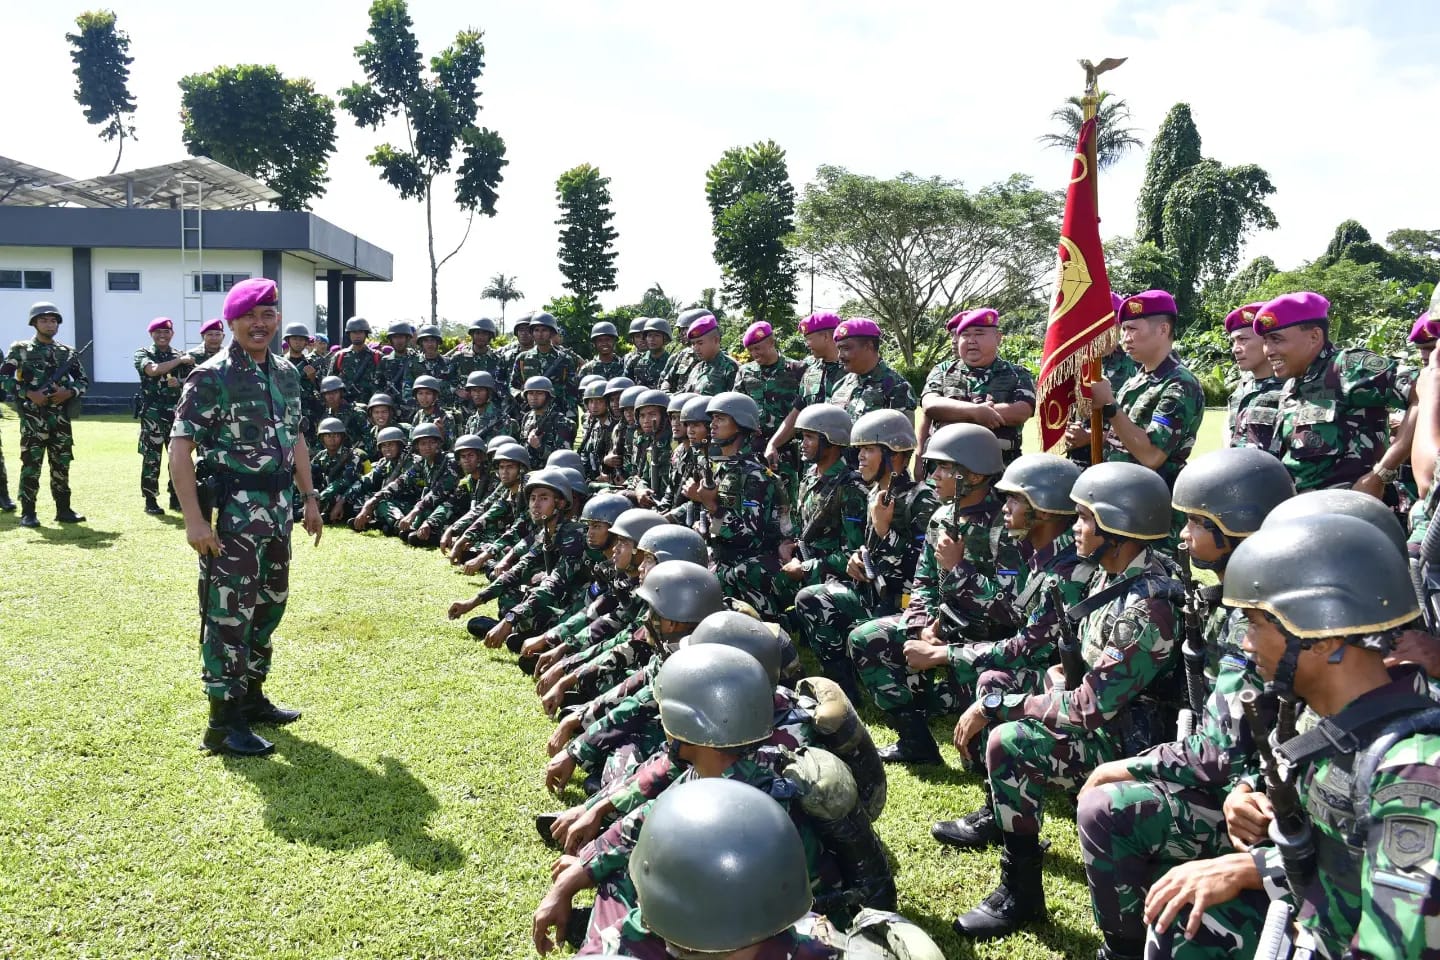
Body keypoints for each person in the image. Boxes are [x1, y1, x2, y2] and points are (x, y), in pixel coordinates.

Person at [1143, 513, 1437, 960]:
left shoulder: (1412, 772)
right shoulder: (1332, 723)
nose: (1245, 643)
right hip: (1318, 924)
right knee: (1184, 922)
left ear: (1322, 638)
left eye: (1256, 624)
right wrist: (1254, 850)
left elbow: (1396, 945)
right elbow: (1341, 854)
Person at [1074, 447, 1294, 960]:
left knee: (1104, 806)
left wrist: (1123, 767)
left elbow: (1216, 752)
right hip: (1247, 787)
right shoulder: (1233, 601)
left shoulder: (1255, 619)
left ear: (1234, 527)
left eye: (1197, 523)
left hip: (1259, 810)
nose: (1184, 536)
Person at [950, 461, 1182, 939]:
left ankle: (1020, 891)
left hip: (1127, 745)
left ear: (1117, 527)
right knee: (997, 682)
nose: (1075, 527)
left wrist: (995, 707)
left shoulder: (1146, 608)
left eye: (1084, 518)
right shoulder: (1110, 574)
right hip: (1105, 717)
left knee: (1010, 741)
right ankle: (1001, 823)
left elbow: (1086, 709)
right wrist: (1058, 674)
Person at [168, 277, 323, 757]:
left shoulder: (286, 373)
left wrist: (310, 498)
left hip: (276, 514)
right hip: (231, 518)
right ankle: (222, 722)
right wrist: (194, 522)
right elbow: (180, 448)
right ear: (232, 322)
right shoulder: (210, 376)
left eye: (268, 314)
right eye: (249, 316)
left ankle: (251, 697)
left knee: (269, 607)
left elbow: (296, 437)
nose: (260, 323)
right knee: (228, 615)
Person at [789, 408, 937, 704]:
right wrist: (858, 559)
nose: (860, 457)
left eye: (869, 450)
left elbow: (926, 568)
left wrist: (884, 531)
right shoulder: (873, 494)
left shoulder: (921, 500)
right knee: (810, 598)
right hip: (871, 594)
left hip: (906, 606)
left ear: (895, 454)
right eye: (859, 450)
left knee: (917, 693)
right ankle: (843, 688)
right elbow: (868, 549)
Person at [1257, 291, 1412, 496]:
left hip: (1354, 509)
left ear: (1314, 337)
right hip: (1304, 508)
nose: (1268, 350)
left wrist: (1380, 475)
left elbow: (1427, 391)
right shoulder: (1292, 385)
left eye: (1276, 339)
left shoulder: (1348, 368)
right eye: (1265, 341)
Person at [1078, 290, 1205, 492]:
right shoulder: (1137, 380)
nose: (1125, 338)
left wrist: (1109, 404)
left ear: (1163, 329)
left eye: (1132, 329)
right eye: (1124, 330)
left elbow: (1152, 456)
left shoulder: (1180, 384)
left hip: (1151, 497)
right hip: (1119, 491)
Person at [4, 301, 90, 527]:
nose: (50, 324)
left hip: (60, 419)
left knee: (61, 464)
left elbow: (83, 380)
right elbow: (3, 378)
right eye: (44, 320)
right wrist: (28, 393)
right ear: (34, 323)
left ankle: (64, 510)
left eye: (53, 321)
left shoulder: (67, 352)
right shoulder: (20, 349)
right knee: (31, 465)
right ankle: (28, 513)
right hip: (33, 420)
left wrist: (68, 392)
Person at [920, 308, 1036, 466]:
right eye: (965, 335)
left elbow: (1020, 411)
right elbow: (931, 405)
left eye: (979, 334)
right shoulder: (942, 371)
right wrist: (976, 412)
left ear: (998, 338)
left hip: (998, 467)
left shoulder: (1017, 374)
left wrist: (954, 413)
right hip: (944, 467)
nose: (971, 340)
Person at [734, 320, 807, 498]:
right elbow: (736, 406)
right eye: (751, 350)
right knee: (753, 498)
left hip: (787, 448)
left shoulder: (797, 370)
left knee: (785, 499)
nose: (754, 353)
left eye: (758, 348)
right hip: (753, 447)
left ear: (771, 342)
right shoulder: (745, 372)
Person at [765, 311, 845, 471]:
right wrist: (773, 444)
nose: (807, 344)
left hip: (846, 464)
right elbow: (797, 413)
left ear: (826, 336)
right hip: (814, 465)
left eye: (809, 338)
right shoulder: (811, 372)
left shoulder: (853, 370)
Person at [134, 316, 193, 514]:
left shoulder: (181, 355)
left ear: (172, 334)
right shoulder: (144, 353)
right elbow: (153, 370)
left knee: (177, 458)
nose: (162, 335)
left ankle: (175, 497)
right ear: (151, 334)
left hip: (176, 414)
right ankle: (150, 500)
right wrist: (179, 361)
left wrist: (180, 383)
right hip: (153, 415)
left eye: (166, 332)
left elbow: (193, 381)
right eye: (158, 332)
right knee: (152, 458)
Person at [828, 318, 917, 422]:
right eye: (839, 349)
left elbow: (902, 431)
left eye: (846, 348)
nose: (840, 356)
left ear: (869, 346)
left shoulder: (896, 387)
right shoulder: (841, 385)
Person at [1222, 302, 1282, 450]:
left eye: (1243, 339)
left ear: (1267, 340)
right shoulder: (1241, 390)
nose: (1235, 349)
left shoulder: (1290, 387)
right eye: (1233, 341)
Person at [511, 312, 579, 414]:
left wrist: (570, 413)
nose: (540, 334)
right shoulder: (523, 358)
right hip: (530, 412)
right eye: (536, 330)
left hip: (558, 412)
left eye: (544, 330)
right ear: (532, 333)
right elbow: (512, 385)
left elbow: (572, 391)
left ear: (552, 333)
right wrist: (520, 395)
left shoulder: (565, 360)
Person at [679, 313, 738, 395]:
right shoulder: (697, 368)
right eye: (693, 344)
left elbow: (734, 400)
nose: (696, 348)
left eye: (700, 343)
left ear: (716, 340)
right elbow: (686, 393)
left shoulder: (730, 368)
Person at [328, 317, 383, 404]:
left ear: (366, 334)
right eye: (354, 332)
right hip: (346, 406)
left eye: (360, 332)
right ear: (349, 334)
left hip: (371, 406)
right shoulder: (340, 356)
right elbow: (330, 383)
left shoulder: (377, 356)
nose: (357, 335)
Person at [625, 317, 672, 388]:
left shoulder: (671, 361)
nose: (652, 339)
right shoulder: (635, 360)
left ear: (665, 339)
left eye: (657, 335)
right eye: (649, 335)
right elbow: (626, 384)